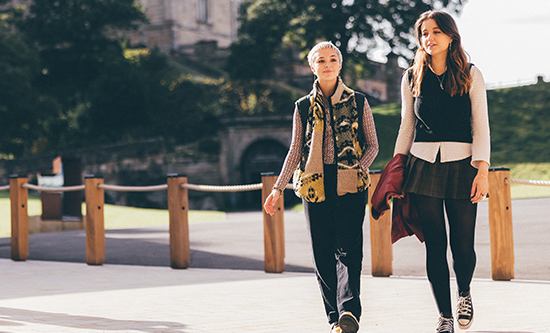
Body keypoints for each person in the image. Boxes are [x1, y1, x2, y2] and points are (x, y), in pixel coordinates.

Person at [264, 41, 379, 333]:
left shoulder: (359, 102)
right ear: (311, 67)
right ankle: (334, 318)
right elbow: (294, 150)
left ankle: (350, 311)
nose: (327, 64)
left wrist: (357, 170)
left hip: (351, 185)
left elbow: (373, 145)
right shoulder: (302, 107)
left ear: (340, 64)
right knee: (322, 252)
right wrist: (278, 188)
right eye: (321, 60)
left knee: (349, 250)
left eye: (332, 59)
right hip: (314, 186)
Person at [393, 11, 490, 333]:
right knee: (435, 245)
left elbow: (481, 127)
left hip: (463, 166)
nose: (429, 38)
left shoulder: (471, 74)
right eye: (423, 33)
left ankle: (464, 293)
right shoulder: (411, 76)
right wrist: (397, 165)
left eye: (436, 32)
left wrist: (482, 170)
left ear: (451, 36)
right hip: (421, 166)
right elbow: (407, 126)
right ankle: (445, 317)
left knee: (463, 246)